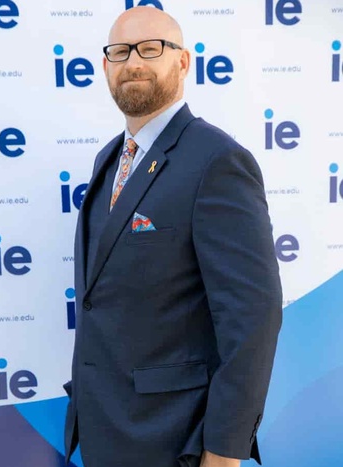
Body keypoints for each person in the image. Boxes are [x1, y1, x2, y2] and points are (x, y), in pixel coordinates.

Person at [63, 6, 282, 467]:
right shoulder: (110, 158)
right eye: (120, 52)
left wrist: (224, 452)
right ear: (105, 67)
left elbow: (253, 318)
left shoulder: (217, 161)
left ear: (183, 62)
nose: (134, 63)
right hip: (105, 430)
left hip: (173, 437)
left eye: (151, 48)